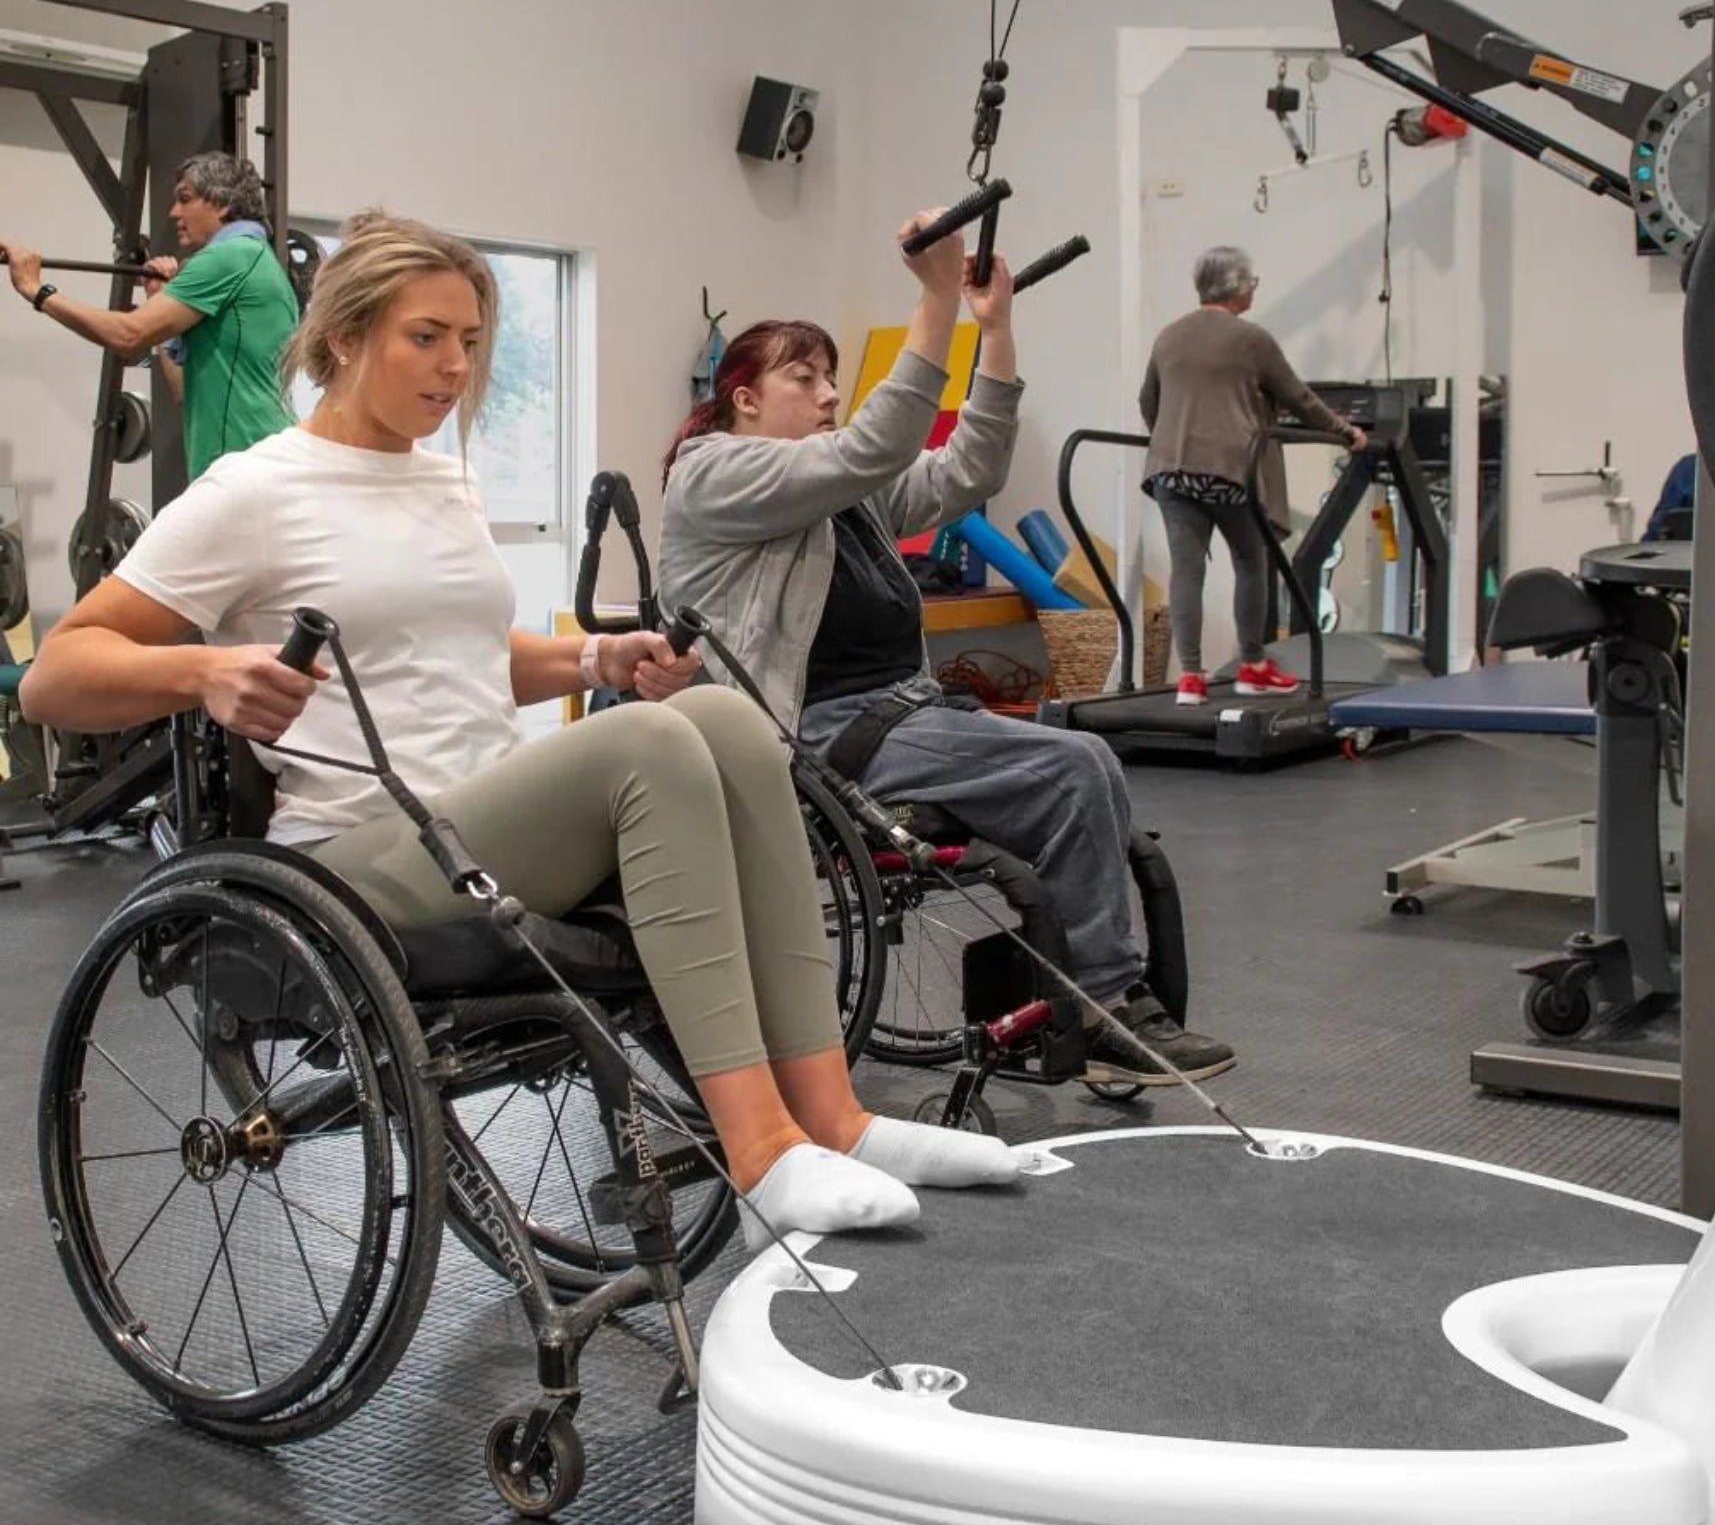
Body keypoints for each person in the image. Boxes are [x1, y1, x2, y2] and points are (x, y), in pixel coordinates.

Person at [19, 210, 1020, 1249]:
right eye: (426, 336)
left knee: (717, 711)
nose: (454, 366)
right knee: (650, 744)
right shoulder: (255, 490)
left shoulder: (440, 476)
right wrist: (206, 668)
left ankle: (836, 1118)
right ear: (345, 336)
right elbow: (56, 676)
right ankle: (759, 1148)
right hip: (356, 858)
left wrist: (596, 657)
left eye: (469, 341)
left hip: (477, 823)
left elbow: (456, 653)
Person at [660, 210, 1238, 1086]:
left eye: (832, 379)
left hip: (905, 713)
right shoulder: (713, 472)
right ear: (743, 398)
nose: (828, 395)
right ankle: (1104, 1002)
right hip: (811, 738)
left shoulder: (844, 496)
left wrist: (995, 331)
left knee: (1087, 763)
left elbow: (967, 471)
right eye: (804, 378)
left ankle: (1082, 988)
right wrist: (934, 298)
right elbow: (880, 443)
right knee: (1074, 766)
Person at [1140, 245, 1371, 705]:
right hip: (1231, 470)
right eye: (1253, 283)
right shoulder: (1252, 340)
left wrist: (1172, 444)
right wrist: (1346, 432)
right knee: (1252, 561)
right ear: (1240, 287)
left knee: (1186, 571)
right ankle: (1252, 665)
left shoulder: (1168, 337)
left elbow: (1149, 401)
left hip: (1171, 471)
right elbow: (1300, 399)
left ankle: (1189, 677)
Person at [5, 151, 297, 478]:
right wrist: (160, 305)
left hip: (246, 463)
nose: (174, 212)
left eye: (185, 199)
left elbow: (128, 336)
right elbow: (184, 393)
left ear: (223, 204)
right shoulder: (255, 257)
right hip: (248, 462)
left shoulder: (229, 257)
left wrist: (37, 290)